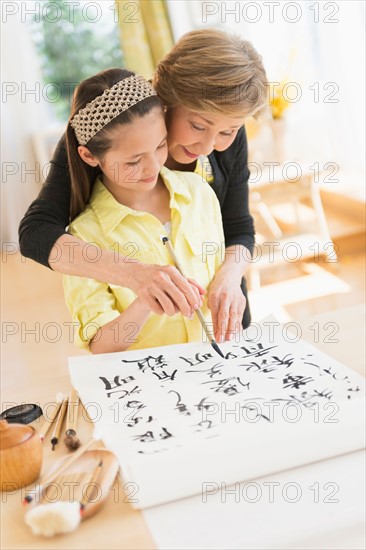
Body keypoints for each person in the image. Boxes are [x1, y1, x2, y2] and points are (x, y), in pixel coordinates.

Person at [19, 29, 268, 342]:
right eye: (197, 125)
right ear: (165, 98)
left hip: (219, 321)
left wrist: (231, 278)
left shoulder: (224, 132)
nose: (208, 146)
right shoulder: (109, 129)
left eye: (228, 131)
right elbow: (35, 233)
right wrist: (135, 275)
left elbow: (239, 226)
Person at [63, 68, 224, 353]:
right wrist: (144, 303)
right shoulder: (83, 235)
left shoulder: (199, 192)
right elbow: (100, 345)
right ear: (89, 156)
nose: (153, 168)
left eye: (161, 145)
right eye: (134, 161)